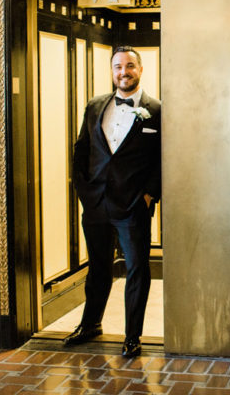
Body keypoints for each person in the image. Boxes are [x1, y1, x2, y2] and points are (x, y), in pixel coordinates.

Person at [64, 46, 161, 358]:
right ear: (112, 71)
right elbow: (81, 149)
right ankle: (91, 324)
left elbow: (163, 159)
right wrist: (83, 189)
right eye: (118, 66)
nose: (124, 72)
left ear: (140, 69)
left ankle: (132, 336)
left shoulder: (156, 110)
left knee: (136, 270)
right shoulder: (95, 105)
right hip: (95, 204)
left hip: (132, 206)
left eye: (130, 66)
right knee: (98, 268)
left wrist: (148, 196)